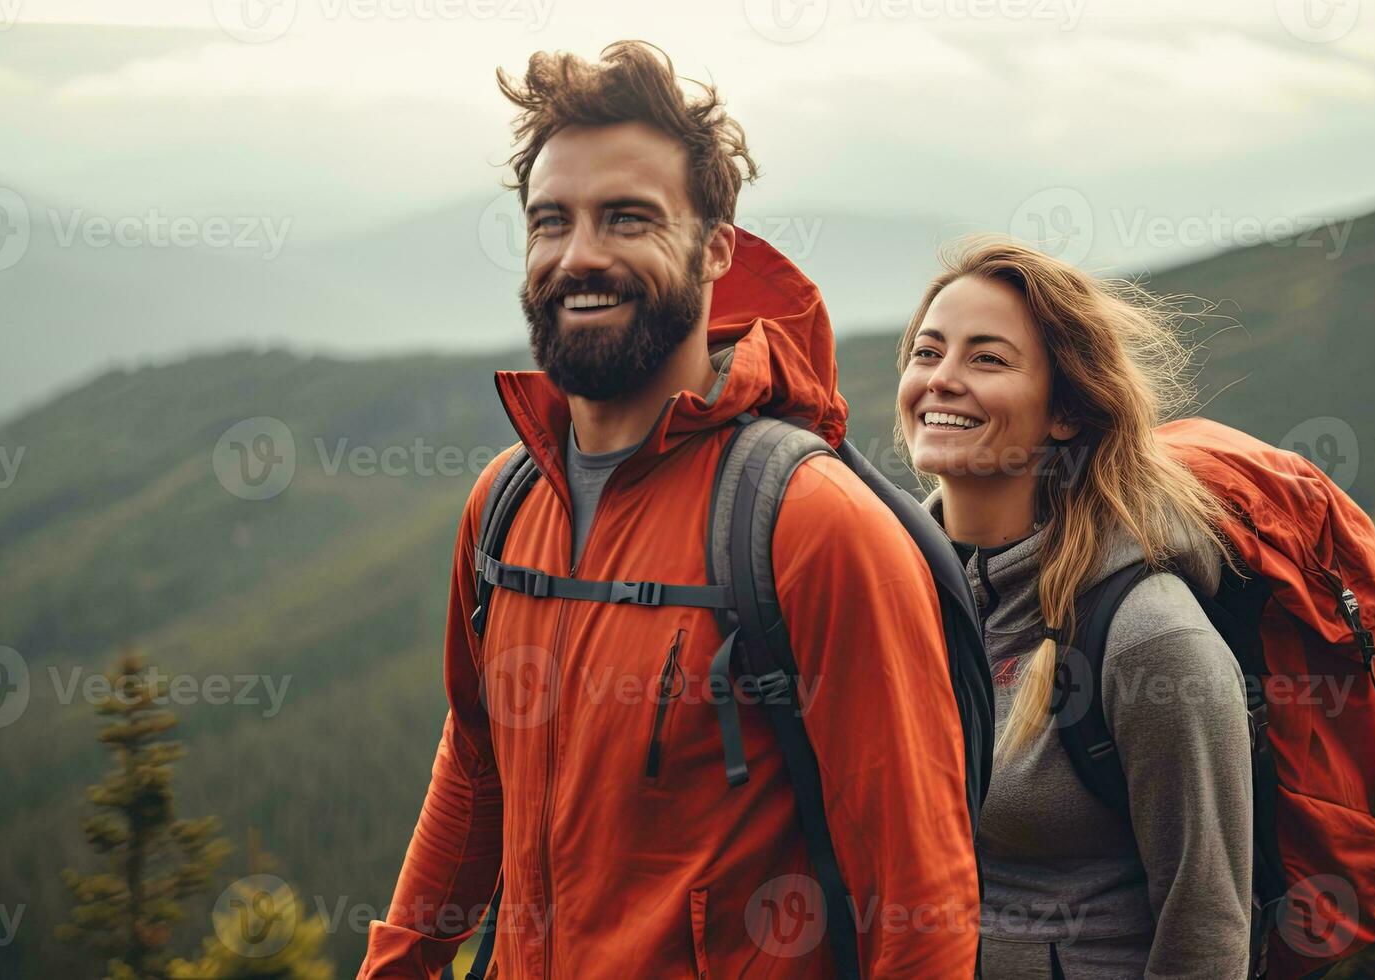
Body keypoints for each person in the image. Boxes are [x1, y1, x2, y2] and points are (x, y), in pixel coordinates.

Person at [357, 42, 980, 979]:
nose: (579, 256)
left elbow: (919, 906)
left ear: (716, 250)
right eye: (549, 222)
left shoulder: (808, 524)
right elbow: (475, 768)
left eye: (628, 219)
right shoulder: (504, 503)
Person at [895, 234, 1253, 978]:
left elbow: (1207, 928)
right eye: (927, 353)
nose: (941, 380)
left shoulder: (1148, 639)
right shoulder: (894, 591)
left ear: (1063, 412)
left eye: (986, 359)